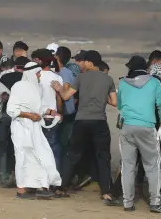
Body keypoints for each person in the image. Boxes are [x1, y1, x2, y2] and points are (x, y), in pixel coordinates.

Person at [51, 50, 119, 205]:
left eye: (85, 61)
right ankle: (106, 193)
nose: (82, 64)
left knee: (72, 154)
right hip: (99, 121)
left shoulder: (81, 77)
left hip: (81, 121)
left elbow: (67, 96)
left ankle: (61, 188)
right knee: (103, 157)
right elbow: (114, 102)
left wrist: (58, 88)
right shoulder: (108, 79)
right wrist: (101, 97)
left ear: (90, 62)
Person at [117, 55, 161, 213]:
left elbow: (119, 104)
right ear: (146, 68)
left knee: (128, 166)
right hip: (147, 127)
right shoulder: (154, 82)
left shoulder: (122, 82)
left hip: (127, 127)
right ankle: (155, 202)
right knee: (152, 166)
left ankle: (128, 203)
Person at [8, 62, 62, 199]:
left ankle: (41, 186)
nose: (39, 76)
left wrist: (50, 111)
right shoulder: (18, 86)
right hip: (21, 127)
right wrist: (29, 115)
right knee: (23, 157)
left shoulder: (37, 88)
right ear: (31, 74)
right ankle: (21, 190)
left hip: (35, 127)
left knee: (42, 155)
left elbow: (38, 107)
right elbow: (11, 109)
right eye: (38, 73)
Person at [0, 56, 29, 187]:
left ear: (15, 66)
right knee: (18, 147)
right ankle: (17, 174)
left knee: (3, 146)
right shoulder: (26, 80)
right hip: (20, 116)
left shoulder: (5, 78)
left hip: (5, 114)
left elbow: (1, 97)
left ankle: (3, 175)